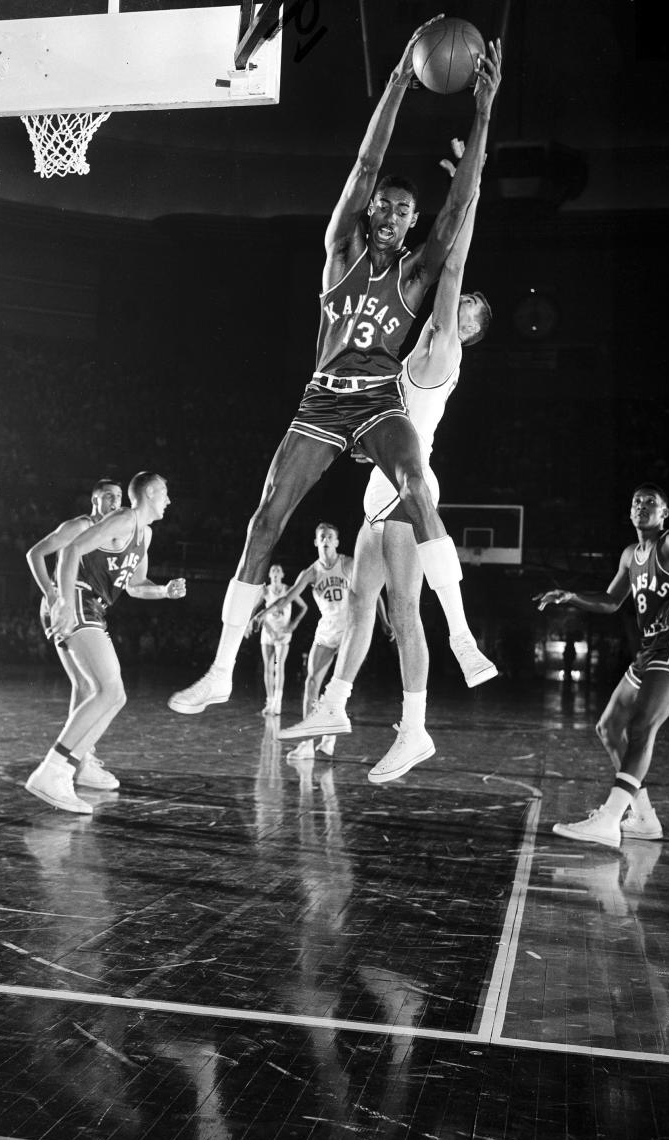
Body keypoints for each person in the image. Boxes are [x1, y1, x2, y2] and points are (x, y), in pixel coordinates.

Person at [168, 25, 502, 716]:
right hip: (323, 401)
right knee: (266, 518)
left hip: (379, 402)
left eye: (405, 211)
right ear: (371, 208)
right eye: (385, 203)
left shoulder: (415, 278)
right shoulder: (340, 248)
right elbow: (366, 159)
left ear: (412, 225)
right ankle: (223, 668)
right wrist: (399, 86)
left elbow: (460, 210)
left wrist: (484, 109)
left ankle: (464, 638)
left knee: (417, 484)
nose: (391, 213)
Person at [277, 165, 497, 784]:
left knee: (405, 609)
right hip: (382, 487)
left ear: (468, 331)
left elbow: (452, 259)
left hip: (410, 486)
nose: (457, 308)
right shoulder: (403, 357)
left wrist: (468, 188)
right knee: (358, 604)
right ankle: (334, 707)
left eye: (468, 311)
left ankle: (416, 727)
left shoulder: (441, 351)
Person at [536, 484, 669, 848]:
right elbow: (612, 601)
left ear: (664, 514)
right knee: (609, 727)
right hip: (649, 648)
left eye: (650, 503)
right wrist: (573, 597)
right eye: (636, 502)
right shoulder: (630, 555)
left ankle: (610, 820)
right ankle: (643, 817)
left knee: (643, 725)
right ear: (630, 512)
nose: (641, 507)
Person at [25, 472, 186, 814]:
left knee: (109, 693)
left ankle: (73, 766)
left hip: (95, 606)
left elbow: (136, 584)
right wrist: (62, 601)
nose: (169, 501)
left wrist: (163, 591)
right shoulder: (124, 518)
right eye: (166, 493)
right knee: (108, 690)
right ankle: (52, 772)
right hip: (79, 599)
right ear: (151, 493)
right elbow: (70, 550)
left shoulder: (146, 533)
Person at [251, 522, 389, 760]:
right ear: (316, 542)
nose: (325, 540)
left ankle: (329, 739)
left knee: (335, 687)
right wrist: (262, 613)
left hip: (350, 632)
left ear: (336, 542)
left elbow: (371, 592)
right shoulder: (311, 572)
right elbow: (287, 598)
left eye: (330, 536)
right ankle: (307, 745)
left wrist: (385, 622)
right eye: (321, 536)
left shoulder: (347, 564)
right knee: (311, 683)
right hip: (326, 632)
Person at [26, 479, 124, 791]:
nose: (114, 501)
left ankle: (81, 762)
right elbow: (35, 554)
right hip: (68, 605)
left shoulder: (110, 534)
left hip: (80, 605)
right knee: (101, 688)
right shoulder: (80, 525)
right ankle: (75, 761)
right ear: (95, 500)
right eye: (108, 496)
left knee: (84, 685)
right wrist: (54, 595)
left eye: (118, 497)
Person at [250, 562, 308, 717]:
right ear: (269, 575)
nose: (275, 572)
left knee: (279, 666)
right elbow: (255, 610)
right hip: (268, 631)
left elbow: (304, 607)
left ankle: (278, 703)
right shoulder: (265, 591)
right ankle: (269, 702)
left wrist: (293, 624)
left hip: (283, 632)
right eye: (273, 570)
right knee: (268, 667)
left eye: (278, 570)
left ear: (282, 574)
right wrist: (260, 624)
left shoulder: (288, 590)